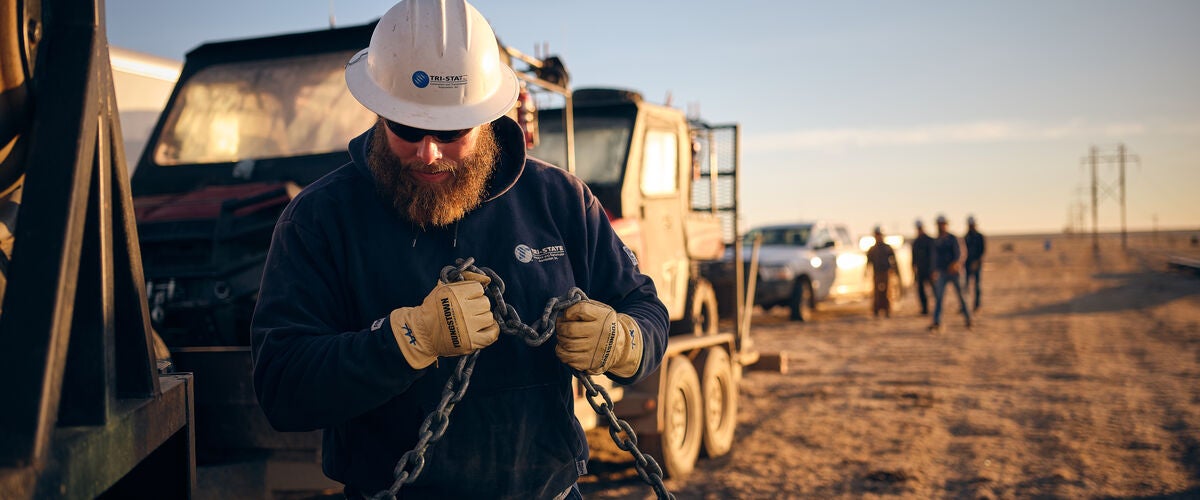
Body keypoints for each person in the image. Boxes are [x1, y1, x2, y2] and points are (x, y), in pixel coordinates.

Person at [249, 1, 670, 497]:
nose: (429, 153)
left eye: (451, 133)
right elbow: (282, 388)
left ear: (488, 118)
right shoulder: (320, 219)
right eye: (406, 129)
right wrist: (406, 341)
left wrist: (627, 341)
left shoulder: (561, 201)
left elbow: (646, 308)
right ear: (379, 110)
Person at [929, 214, 972, 333]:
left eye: (942, 224)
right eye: (939, 224)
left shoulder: (953, 239)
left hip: (955, 273)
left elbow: (961, 253)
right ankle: (937, 322)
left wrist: (957, 264)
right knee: (939, 298)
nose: (941, 227)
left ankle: (968, 319)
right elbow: (934, 257)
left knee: (962, 296)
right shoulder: (936, 241)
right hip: (942, 273)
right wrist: (934, 271)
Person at [865, 226, 897, 318]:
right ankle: (876, 310)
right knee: (876, 292)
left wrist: (895, 271)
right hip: (877, 273)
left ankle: (887, 310)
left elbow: (893, 260)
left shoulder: (887, 248)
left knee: (886, 291)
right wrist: (866, 272)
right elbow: (868, 262)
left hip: (886, 272)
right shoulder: (872, 249)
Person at [910, 218, 934, 315]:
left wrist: (933, 269)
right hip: (920, 270)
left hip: (930, 270)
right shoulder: (916, 242)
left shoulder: (929, 241)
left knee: (935, 290)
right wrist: (913, 268)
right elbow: (913, 257)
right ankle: (925, 308)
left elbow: (934, 256)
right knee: (921, 290)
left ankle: (937, 307)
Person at [963, 215, 986, 312]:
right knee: (966, 286)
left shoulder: (979, 236)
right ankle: (965, 305)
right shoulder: (966, 237)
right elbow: (963, 251)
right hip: (967, 264)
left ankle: (977, 305)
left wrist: (977, 262)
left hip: (977, 264)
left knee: (977, 285)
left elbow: (982, 250)